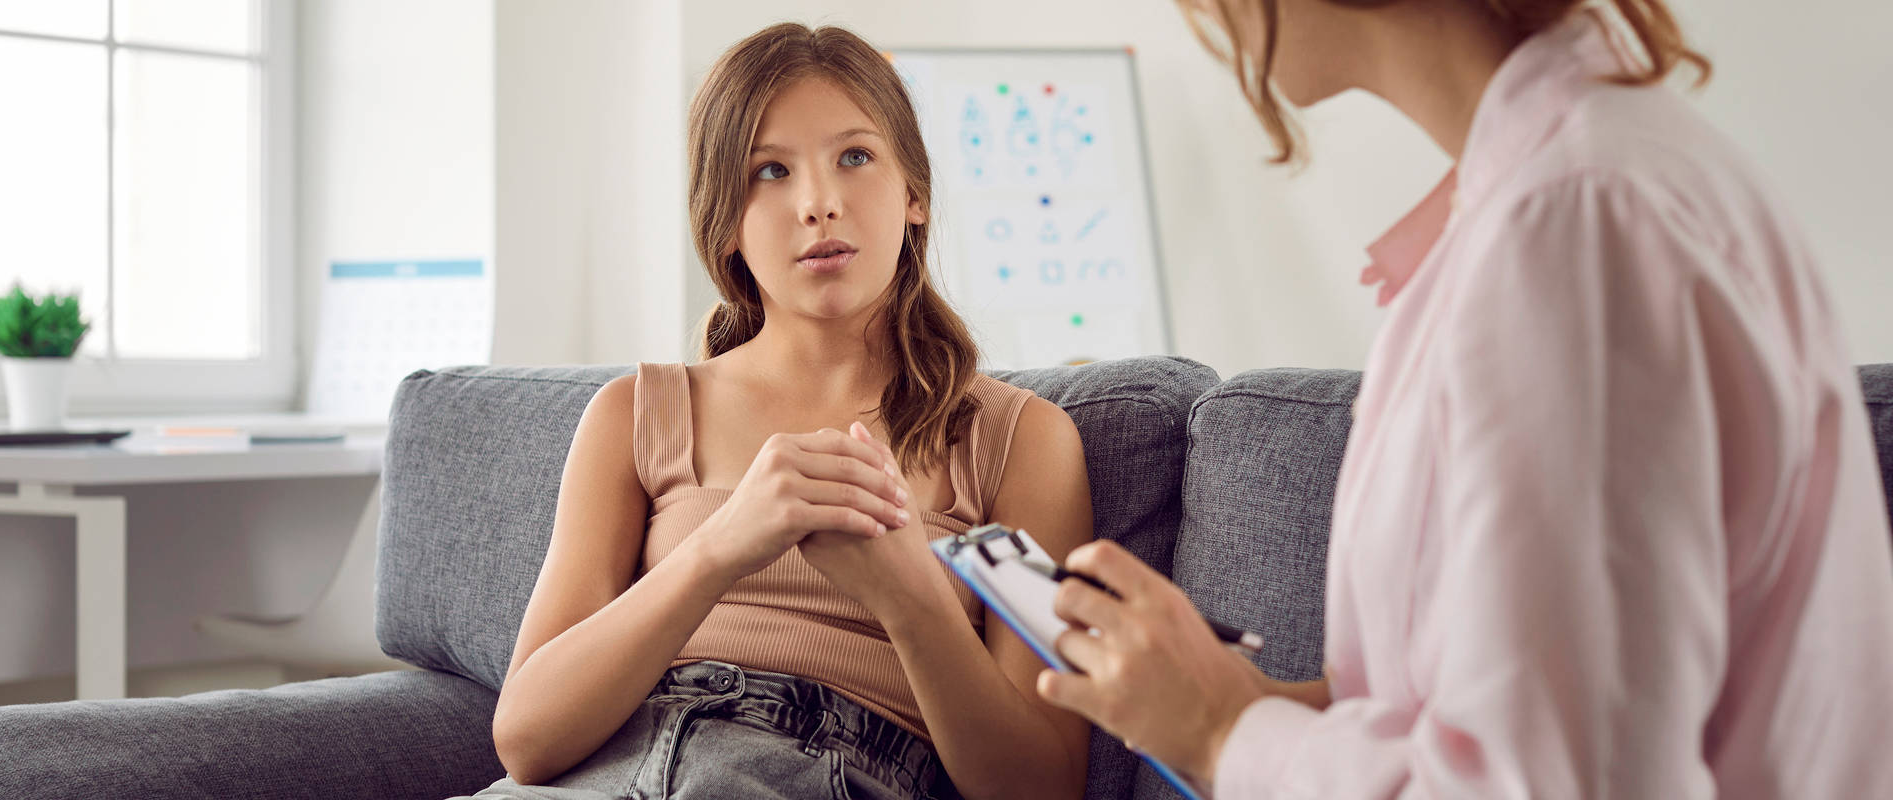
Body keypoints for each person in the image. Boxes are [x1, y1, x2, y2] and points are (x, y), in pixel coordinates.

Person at [1033, 1, 1893, 797]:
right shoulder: (1580, 186)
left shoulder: (1573, 227)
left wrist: (1225, 732)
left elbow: (1555, 780)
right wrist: (1243, 702)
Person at [460, 22, 1093, 800]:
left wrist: (909, 598)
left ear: (914, 193)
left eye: (854, 157)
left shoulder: (1021, 441)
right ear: (726, 222)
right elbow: (526, 741)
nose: (818, 203)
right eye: (770, 171)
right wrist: (720, 546)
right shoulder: (634, 415)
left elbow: (1043, 787)